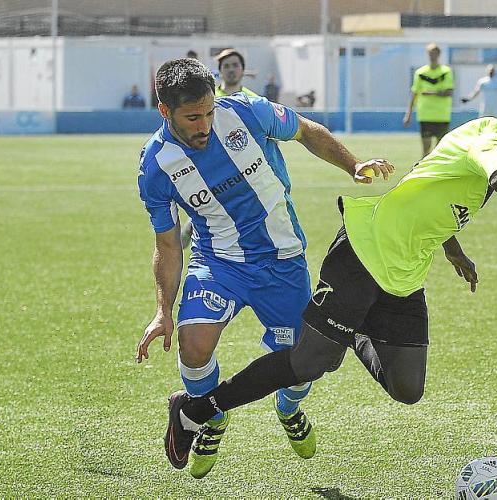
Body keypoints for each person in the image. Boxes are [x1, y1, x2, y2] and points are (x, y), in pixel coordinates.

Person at [163, 84, 497, 463]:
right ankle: (195, 410)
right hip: (364, 251)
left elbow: (427, 183)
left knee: (407, 387)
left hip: (403, 272)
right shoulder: (495, 138)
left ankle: (350, 329)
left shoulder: (481, 138)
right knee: (310, 362)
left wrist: (453, 249)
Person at [136, 58, 394, 478]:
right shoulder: (155, 165)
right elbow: (167, 244)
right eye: (192, 118)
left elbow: (306, 130)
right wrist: (163, 310)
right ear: (165, 111)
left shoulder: (246, 110)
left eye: (209, 112)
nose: (204, 125)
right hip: (218, 261)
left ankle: (289, 408)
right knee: (193, 343)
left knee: (303, 363)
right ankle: (210, 415)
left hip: (282, 260)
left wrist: (353, 165)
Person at [179, 48, 260, 249]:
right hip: (211, 165)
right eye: (226, 66)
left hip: (245, 168)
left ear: (242, 70)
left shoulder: (253, 101)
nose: (231, 69)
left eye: (235, 65)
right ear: (220, 70)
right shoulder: (209, 98)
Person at [403, 43, 454, 158]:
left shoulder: (446, 71)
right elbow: (414, 93)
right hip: (425, 115)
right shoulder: (420, 73)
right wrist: (408, 114)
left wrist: (431, 92)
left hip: (442, 115)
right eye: (430, 53)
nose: (432, 56)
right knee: (426, 150)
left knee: (441, 150)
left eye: (434, 53)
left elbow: (449, 92)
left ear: (439, 54)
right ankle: (424, 169)